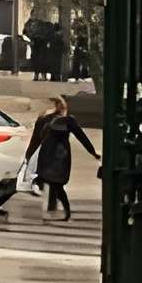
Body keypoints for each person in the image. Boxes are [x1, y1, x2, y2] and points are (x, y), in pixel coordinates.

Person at [27, 92, 96, 221]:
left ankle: (59, 210)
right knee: (53, 182)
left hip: (53, 156)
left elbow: (35, 140)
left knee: (53, 182)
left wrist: (29, 156)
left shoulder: (56, 120)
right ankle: (59, 210)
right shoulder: (55, 120)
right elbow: (81, 137)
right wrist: (92, 152)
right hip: (56, 156)